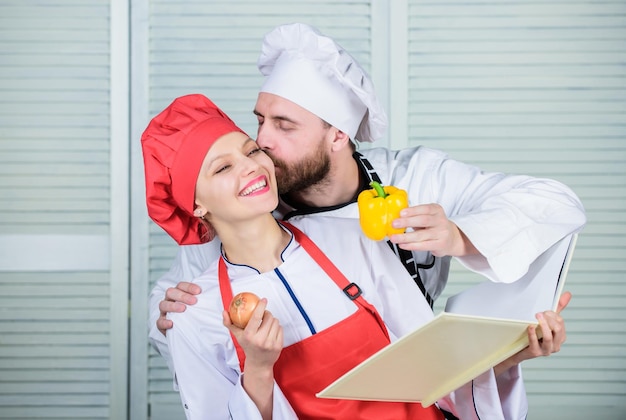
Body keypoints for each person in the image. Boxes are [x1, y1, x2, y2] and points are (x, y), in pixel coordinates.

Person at [149, 22, 586, 412]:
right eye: (259, 122)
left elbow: (553, 204)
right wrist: (170, 316)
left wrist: (460, 238)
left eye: (284, 125)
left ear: (338, 133)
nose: (262, 143)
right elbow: (189, 332)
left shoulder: (408, 185)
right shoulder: (237, 217)